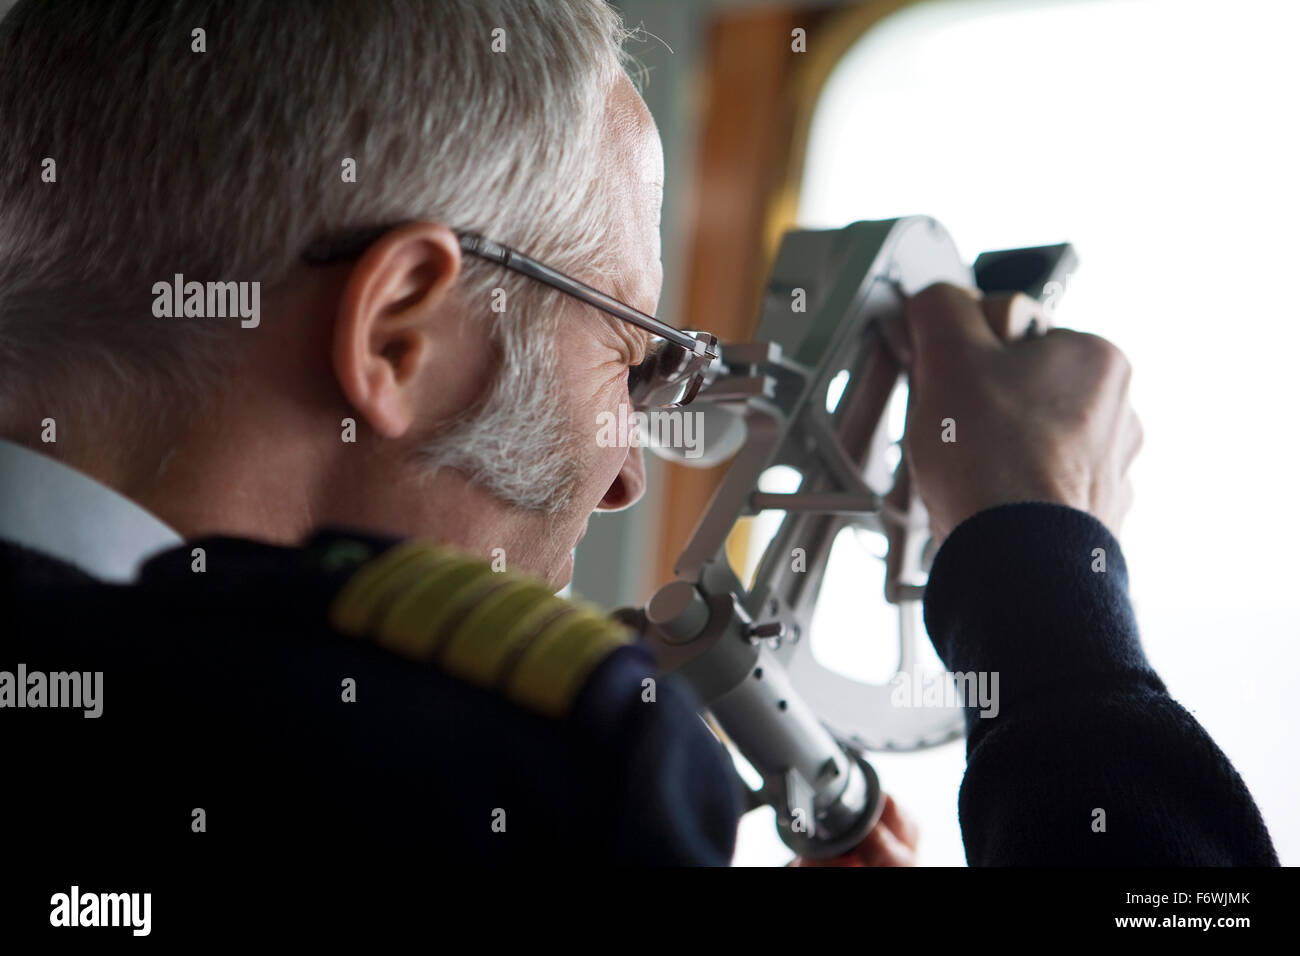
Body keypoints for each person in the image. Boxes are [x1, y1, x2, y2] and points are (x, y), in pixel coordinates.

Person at [0, 0, 1275, 870]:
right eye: (632, 354)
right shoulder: (519, 780)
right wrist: (1047, 578)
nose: (622, 480)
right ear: (400, 332)